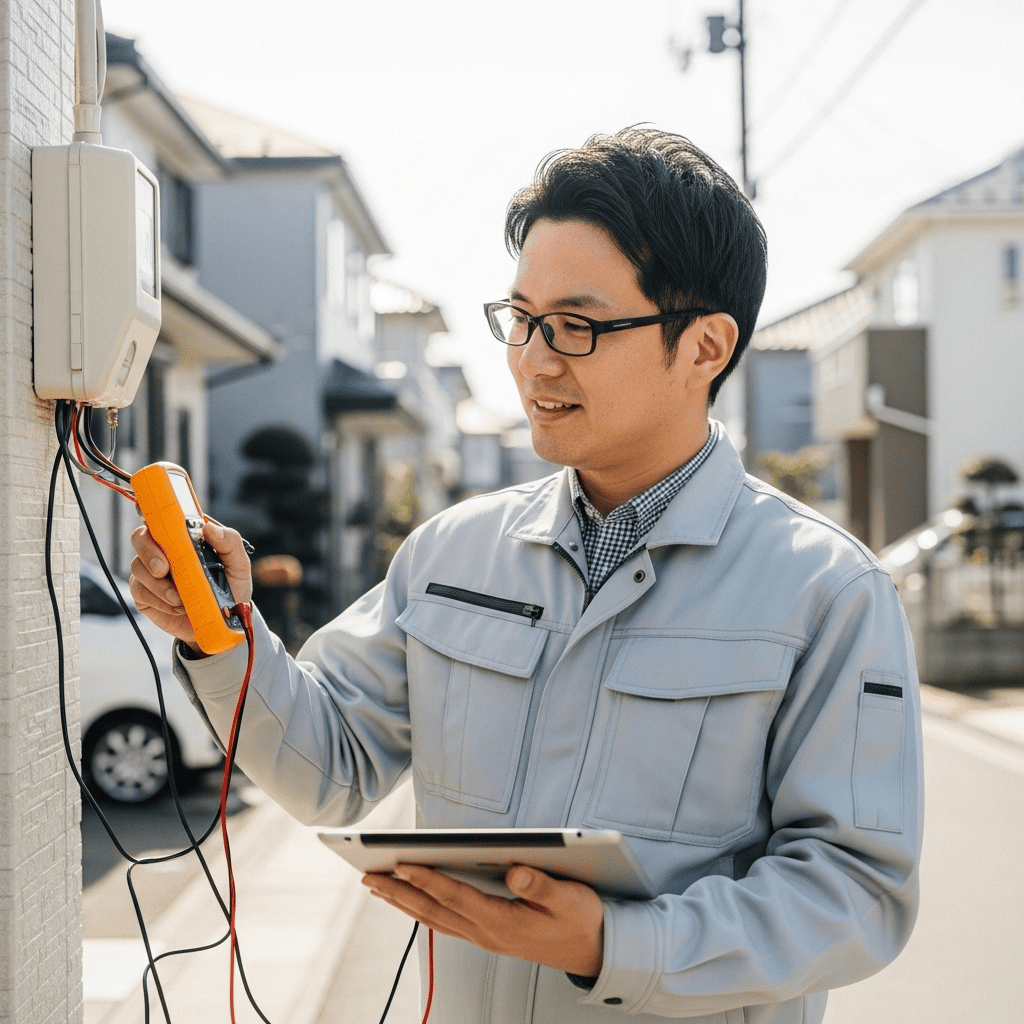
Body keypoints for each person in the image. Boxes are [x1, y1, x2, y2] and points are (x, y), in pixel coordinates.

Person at [130, 127, 923, 1023]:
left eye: (578, 326)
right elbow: (331, 770)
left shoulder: (826, 590)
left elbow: (857, 896)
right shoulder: (451, 553)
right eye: (522, 319)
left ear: (705, 346)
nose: (534, 360)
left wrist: (612, 946)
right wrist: (220, 632)